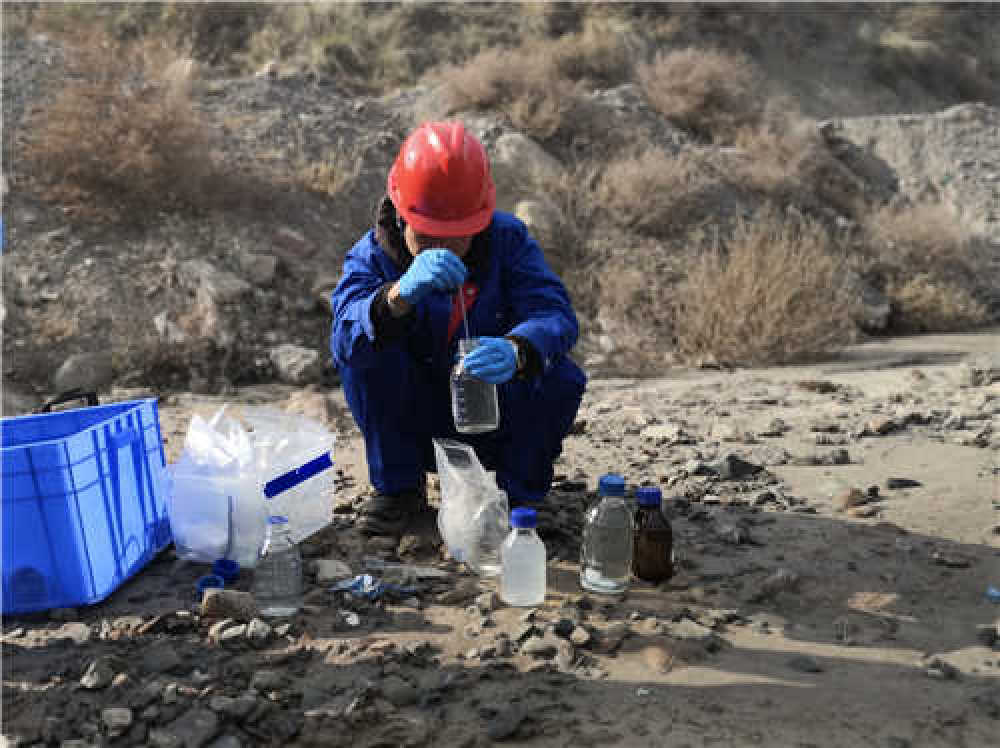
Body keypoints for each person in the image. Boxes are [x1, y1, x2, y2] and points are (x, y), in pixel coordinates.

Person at [330, 121, 586, 535]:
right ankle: (399, 494)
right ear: (401, 214)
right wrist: (396, 298)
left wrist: (520, 348)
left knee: (560, 375)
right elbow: (344, 339)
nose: (444, 249)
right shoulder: (372, 255)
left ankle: (520, 497)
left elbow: (555, 314)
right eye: (428, 237)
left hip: (490, 417)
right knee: (365, 353)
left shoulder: (509, 242)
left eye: (458, 237)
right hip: (413, 424)